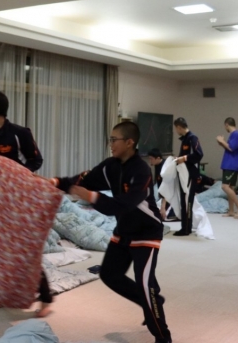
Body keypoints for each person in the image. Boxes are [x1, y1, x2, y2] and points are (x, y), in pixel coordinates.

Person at [50, 121, 172, 343]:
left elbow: (123, 205)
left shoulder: (141, 170)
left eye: (115, 140)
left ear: (129, 142)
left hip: (147, 234)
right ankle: (152, 302)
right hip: (123, 231)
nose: (111, 144)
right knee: (109, 274)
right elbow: (82, 180)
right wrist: (54, 182)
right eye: (111, 139)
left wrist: (90, 196)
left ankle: (163, 337)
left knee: (146, 285)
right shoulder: (110, 166)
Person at [0, 88, 50, 316]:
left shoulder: (19, 134)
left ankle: (45, 297)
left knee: (23, 249)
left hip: (17, 200)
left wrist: (16, 175)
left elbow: (36, 159)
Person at [173, 117, 203, 236]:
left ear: (179, 127)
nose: (176, 131)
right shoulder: (185, 139)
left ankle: (186, 229)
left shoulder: (192, 138)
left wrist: (184, 158)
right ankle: (185, 227)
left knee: (187, 202)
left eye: (176, 128)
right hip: (184, 174)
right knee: (184, 201)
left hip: (190, 175)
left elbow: (199, 154)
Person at [216, 117, 238, 218]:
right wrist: (221, 142)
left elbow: (231, 148)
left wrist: (222, 140)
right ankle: (231, 211)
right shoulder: (233, 135)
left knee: (225, 186)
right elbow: (228, 147)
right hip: (229, 163)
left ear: (227, 125)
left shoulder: (236, 134)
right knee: (230, 187)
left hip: (231, 164)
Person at [148, 148, 177, 222]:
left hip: (171, 195)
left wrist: (163, 207)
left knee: (164, 216)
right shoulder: (156, 165)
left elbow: (167, 187)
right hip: (164, 195)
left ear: (158, 158)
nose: (150, 161)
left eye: (151, 159)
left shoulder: (164, 167)